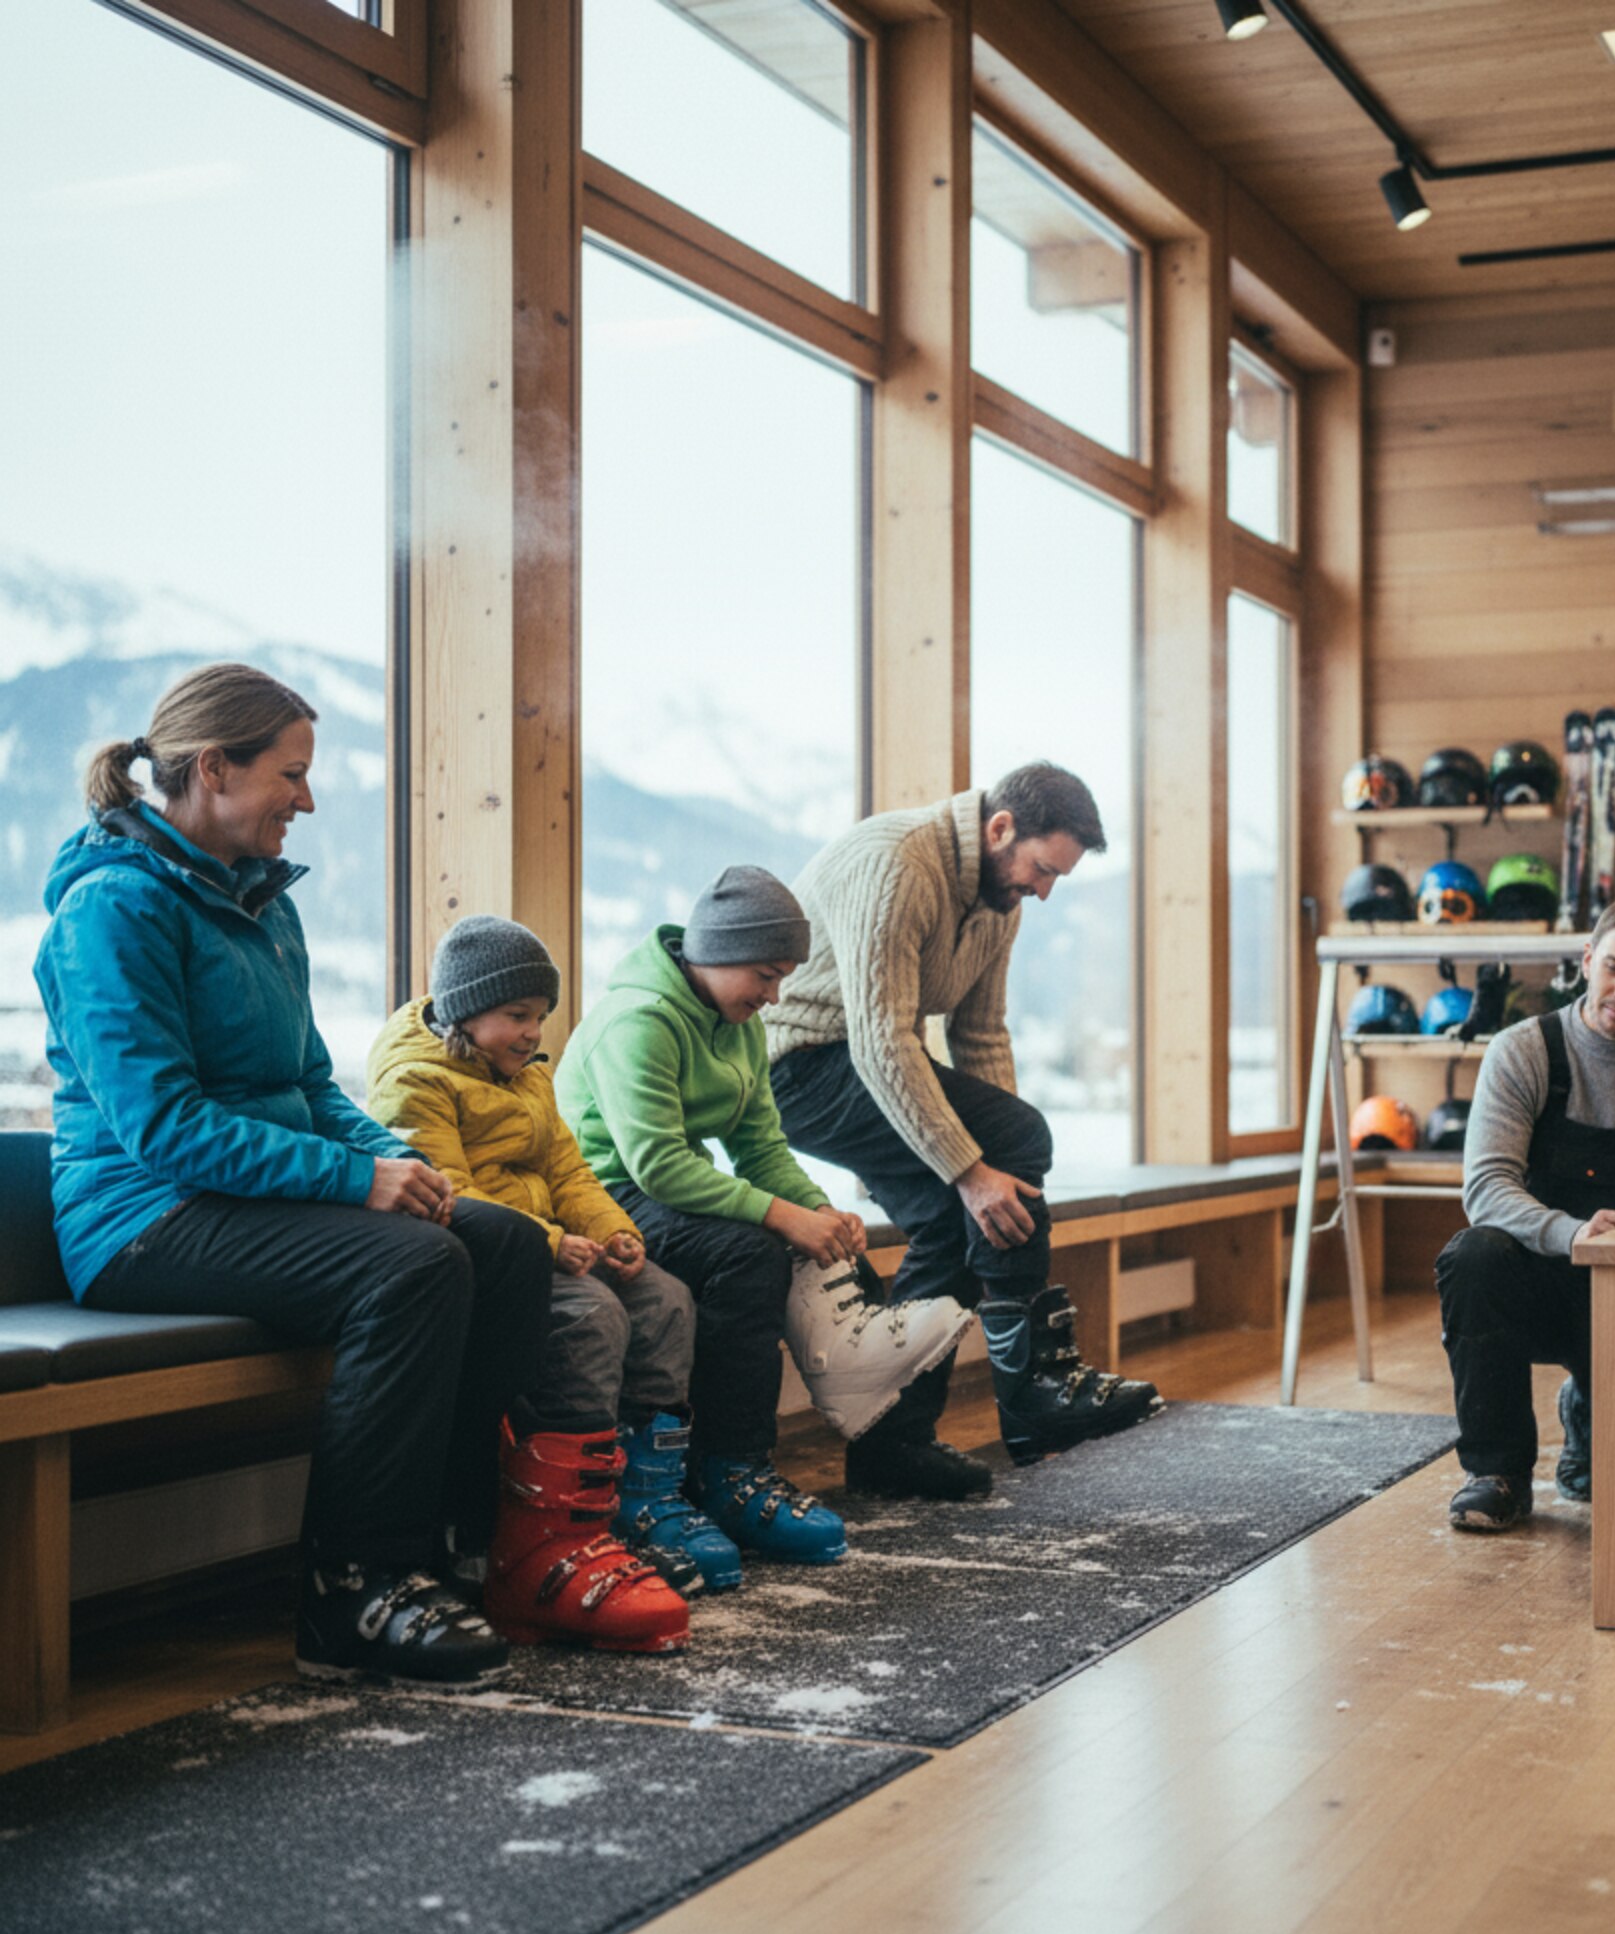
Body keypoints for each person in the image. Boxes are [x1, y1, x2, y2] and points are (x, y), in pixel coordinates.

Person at [34, 663, 551, 1688]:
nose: (307, 800)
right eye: (293, 774)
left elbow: (312, 1080)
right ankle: (352, 1589)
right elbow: (163, 1127)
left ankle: (455, 1547)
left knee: (499, 1238)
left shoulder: (263, 905)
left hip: (247, 1201)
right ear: (213, 768)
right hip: (144, 1216)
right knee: (411, 1267)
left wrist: (391, 1159)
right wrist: (353, 1183)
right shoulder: (108, 913)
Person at [768, 763, 1163, 1500]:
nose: (1043, 892)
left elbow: (980, 1036)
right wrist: (976, 1167)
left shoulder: (997, 899)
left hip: (869, 1064)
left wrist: (1003, 1169)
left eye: (1057, 881)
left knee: (957, 1217)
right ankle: (1036, 1386)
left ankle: (892, 1446)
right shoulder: (899, 865)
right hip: (799, 1068)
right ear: (1000, 827)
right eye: (1042, 870)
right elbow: (881, 1041)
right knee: (993, 1162)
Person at [557, 866, 963, 1563]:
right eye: (766, 976)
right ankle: (732, 1471)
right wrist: (781, 1218)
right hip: (595, 1195)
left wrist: (817, 1211)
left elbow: (759, 1146)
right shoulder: (639, 1022)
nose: (774, 996)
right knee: (748, 1251)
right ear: (717, 953)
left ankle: (842, 1364)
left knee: (812, 1240)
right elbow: (653, 1164)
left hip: (664, 1188)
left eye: (782, 980)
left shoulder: (739, 1024)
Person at [367, 916, 711, 1652]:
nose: (532, 1032)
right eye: (516, 1015)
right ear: (465, 1011)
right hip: (491, 1261)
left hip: (555, 1244)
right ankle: (550, 1536)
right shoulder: (416, 1083)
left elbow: (568, 1172)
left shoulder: (526, 1077)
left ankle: (631, 1508)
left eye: (540, 1017)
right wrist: (555, 1244)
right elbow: (449, 1199)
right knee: (592, 1317)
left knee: (664, 1300)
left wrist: (616, 1232)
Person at [1434, 894, 1615, 1532]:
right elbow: (1486, 1187)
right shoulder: (1523, 1050)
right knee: (1472, 1254)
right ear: (1587, 960)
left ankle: (1587, 1406)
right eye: (1614, 967)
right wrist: (1575, 1233)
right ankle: (1498, 1471)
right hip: (1528, 1285)